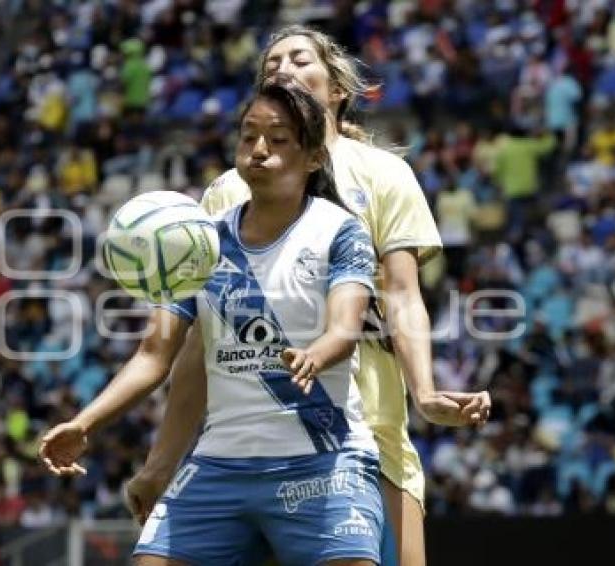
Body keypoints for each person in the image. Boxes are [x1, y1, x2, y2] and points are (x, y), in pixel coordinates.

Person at [125, 26, 492, 566]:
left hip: (365, 427)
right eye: (271, 64)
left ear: (337, 89)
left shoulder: (385, 174)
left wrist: (426, 393)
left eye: (299, 58)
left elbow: (402, 296)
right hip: (252, 445)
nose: (283, 68)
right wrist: (162, 459)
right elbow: (198, 345)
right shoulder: (228, 191)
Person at [42, 78, 384, 565]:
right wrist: (84, 422)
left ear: (313, 158)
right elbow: (153, 356)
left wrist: (316, 353)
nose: (259, 150)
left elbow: (346, 327)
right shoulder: (199, 242)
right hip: (220, 462)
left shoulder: (340, 231)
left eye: (279, 139)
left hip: (324, 460)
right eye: (248, 136)